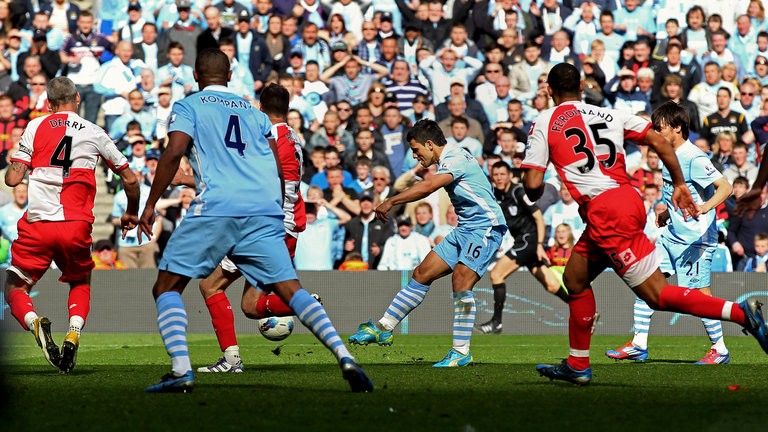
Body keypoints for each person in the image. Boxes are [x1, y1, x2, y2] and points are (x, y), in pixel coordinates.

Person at [137, 49, 372, 393]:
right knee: (290, 290)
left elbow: (173, 153)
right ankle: (345, 356)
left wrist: (150, 204)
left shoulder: (189, 105)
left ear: (197, 78)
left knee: (167, 286)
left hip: (217, 205)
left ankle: (181, 370)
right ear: (230, 76)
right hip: (264, 211)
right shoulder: (255, 114)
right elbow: (275, 169)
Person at [522, 63, 768, 385]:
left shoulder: (545, 121)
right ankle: (578, 363)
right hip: (626, 200)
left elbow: (532, 183)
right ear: (582, 87)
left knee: (657, 295)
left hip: (606, 213)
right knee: (574, 278)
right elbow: (662, 143)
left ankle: (741, 314)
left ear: (549, 91)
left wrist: (534, 186)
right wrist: (679, 184)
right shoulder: (610, 114)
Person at [3, 76, 140, 374]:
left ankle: (33, 321)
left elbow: (12, 179)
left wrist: (24, 160)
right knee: (80, 280)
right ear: (78, 98)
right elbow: (130, 179)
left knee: (15, 287)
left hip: (38, 223)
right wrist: (131, 212)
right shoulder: (95, 131)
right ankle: (73, 332)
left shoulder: (36, 126)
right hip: (75, 225)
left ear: (49, 104)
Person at [348, 119, 508, 367]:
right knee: (422, 273)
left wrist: (391, 201)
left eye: (416, 150)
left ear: (430, 144)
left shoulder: (454, 157)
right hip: (465, 228)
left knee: (461, 280)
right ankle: (384, 327)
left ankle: (461, 351)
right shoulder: (450, 158)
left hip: (485, 227)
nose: (415, 156)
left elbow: (429, 186)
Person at [188, 83, 308, 372]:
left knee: (210, 285)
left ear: (260, 107)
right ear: (288, 108)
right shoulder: (293, 138)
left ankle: (231, 361)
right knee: (252, 305)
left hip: (264, 227)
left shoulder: (264, 136)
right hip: (289, 227)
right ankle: (301, 304)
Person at [606, 102, 735, 365]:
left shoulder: (693, 157)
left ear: (677, 128)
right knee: (646, 282)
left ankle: (720, 349)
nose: (655, 132)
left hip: (695, 240)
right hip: (672, 235)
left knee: (699, 297)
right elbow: (679, 191)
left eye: (660, 128)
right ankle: (639, 344)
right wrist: (668, 213)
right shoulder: (668, 153)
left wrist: (704, 207)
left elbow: (726, 187)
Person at [475, 161, 568, 334]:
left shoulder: (518, 191)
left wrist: (539, 245)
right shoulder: (496, 196)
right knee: (551, 285)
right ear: (492, 177)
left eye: (503, 174)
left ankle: (497, 322)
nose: (499, 178)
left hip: (529, 241)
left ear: (510, 175)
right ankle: (586, 313)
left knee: (496, 274)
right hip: (523, 242)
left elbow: (539, 218)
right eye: (496, 175)